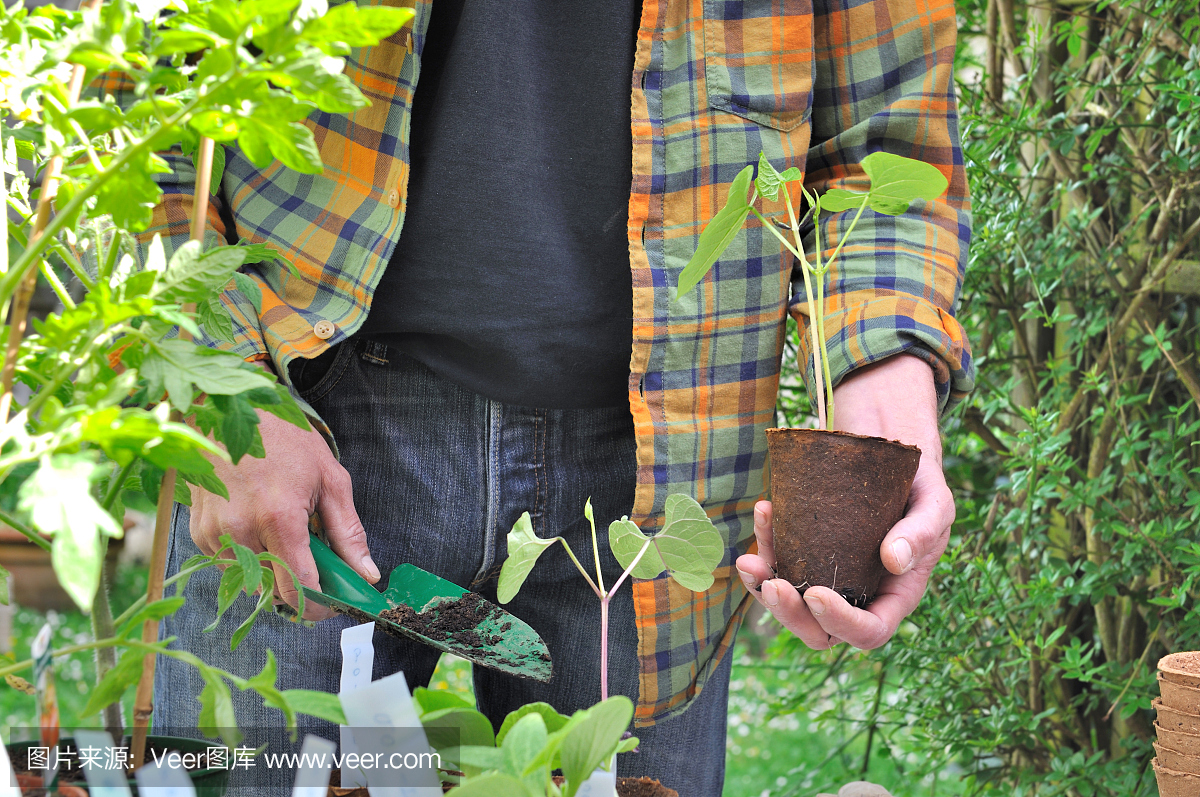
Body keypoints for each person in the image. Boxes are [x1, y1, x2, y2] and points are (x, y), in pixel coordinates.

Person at [116, 0, 973, 794]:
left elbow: (887, 144)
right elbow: (124, 89)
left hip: (669, 467)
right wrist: (216, 386)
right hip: (302, 426)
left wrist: (887, 399)